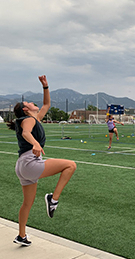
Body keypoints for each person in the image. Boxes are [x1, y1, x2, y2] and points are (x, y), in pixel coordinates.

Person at [7, 75, 76, 246]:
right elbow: (26, 134)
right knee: (70, 165)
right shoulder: (28, 120)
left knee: (27, 203)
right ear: (25, 109)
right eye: (29, 103)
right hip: (30, 162)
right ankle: (53, 198)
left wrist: (45, 86)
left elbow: (46, 105)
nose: (32, 103)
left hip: (22, 165)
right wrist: (36, 143)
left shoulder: (33, 118)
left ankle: (21, 235)